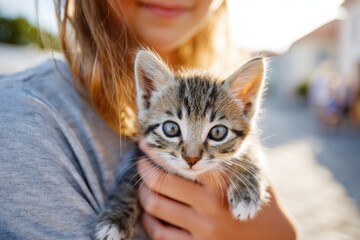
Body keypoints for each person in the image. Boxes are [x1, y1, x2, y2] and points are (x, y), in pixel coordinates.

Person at [0, 0, 297, 239]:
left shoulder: (226, 101)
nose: (192, 156)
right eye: (172, 129)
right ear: (148, 93)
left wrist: (276, 232)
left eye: (215, 133)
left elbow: (248, 156)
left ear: (247, 107)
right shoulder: (23, 123)